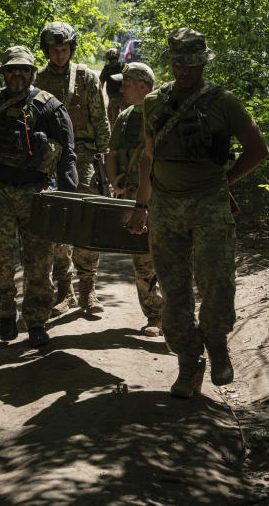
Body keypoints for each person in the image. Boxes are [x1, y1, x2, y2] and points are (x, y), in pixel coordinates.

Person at [128, 28, 268, 398]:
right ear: (171, 63)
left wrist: (226, 182)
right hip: (165, 208)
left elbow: (257, 149)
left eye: (192, 65)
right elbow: (148, 157)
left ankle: (217, 341)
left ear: (204, 63)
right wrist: (141, 206)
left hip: (209, 206)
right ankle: (189, 363)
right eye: (178, 65)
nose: (185, 72)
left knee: (216, 283)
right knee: (174, 293)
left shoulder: (224, 102)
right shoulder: (154, 103)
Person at [0, 45, 78, 349]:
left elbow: (68, 155)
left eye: (23, 69)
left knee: (39, 262)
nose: (17, 73)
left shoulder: (51, 107)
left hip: (38, 193)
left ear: (33, 72)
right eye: (11, 69)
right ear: (3, 73)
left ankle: (36, 321)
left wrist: (69, 196)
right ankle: (6, 314)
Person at [34, 21, 112, 314]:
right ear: (47, 50)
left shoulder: (86, 78)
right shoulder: (38, 79)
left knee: (88, 218)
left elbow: (101, 120)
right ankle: (64, 289)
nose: (59, 56)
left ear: (71, 49)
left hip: (84, 155)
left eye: (64, 50)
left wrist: (105, 158)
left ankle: (88, 289)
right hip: (50, 155)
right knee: (55, 221)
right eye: (54, 50)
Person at [103, 61, 164, 336]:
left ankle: (174, 314)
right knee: (141, 256)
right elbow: (113, 152)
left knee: (168, 255)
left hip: (160, 195)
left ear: (142, 85)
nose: (121, 88)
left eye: (126, 83)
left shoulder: (164, 113)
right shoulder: (125, 116)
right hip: (131, 194)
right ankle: (155, 316)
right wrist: (114, 179)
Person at [99, 47, 126, 129]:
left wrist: (100, 99)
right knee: (126, 117)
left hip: (112, 98)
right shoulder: (123, 66)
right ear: (117, 56)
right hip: (124, 98)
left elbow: (101, 84)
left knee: (113, 121)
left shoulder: (106, 68)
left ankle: (115, 137)